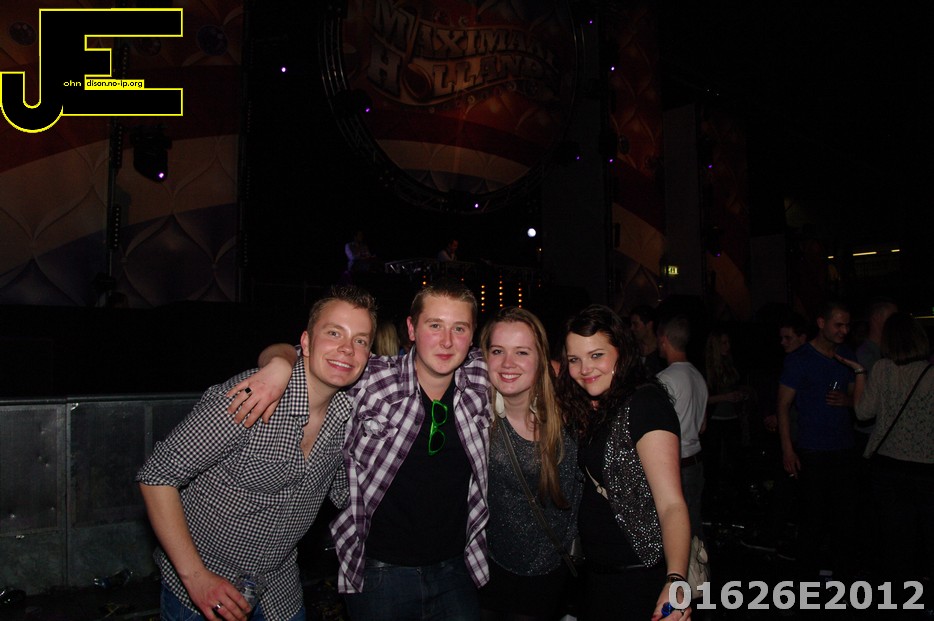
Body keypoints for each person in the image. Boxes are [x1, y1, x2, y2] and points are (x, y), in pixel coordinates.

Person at [227, 279, 491, 621]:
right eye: (434, 325)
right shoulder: (371, 379)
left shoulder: (482, 376)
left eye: (459, 328)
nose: (446, 341)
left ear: (472, 336)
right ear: (412, 329)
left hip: (457, 567)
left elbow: (528, 365)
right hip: (380, 572)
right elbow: (298, 352)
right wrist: (277, 366)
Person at [136, 285, 377, 621]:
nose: (347, 349)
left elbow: (346, 493)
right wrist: (196, 578)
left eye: (360, 340)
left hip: (279, 586)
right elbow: (157, 476)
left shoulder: (348, 416)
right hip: (206, 587)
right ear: (306, 343)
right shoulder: (252, 395)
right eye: (334, 333)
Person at [557, 304, 691, 621]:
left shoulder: (645, 404)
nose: (584, 368)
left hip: (638, 577)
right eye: (574, 359)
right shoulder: (591, 404)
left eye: (596, 355)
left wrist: (675, 580)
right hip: (597, 575)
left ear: (621, 352)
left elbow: (671, 504)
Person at [477, 307, 582, 621]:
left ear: (541, 359)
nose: (507, 363)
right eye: (498, 351)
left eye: (521, 352)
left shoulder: (570, 415)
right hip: (486, 572)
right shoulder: (473, 414)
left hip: (547, 577)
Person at [836, 312, 933, 588]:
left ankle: (899, 597)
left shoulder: (881, 368)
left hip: (888, 466)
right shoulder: (931, 374)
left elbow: (863, 413)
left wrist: (859, 373)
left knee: (895, 539)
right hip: (927, 469)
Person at [777, 301, 857, 577]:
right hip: (812, 451)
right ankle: (806, 584)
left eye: (847, 325)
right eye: (838, 324)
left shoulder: (846, 356)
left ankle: (843, 581)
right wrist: (788, 450)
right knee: (812, 521)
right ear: (822, 323)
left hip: (844, 449)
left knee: (844, 522)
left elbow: (859, 401)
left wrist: (848, 401)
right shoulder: (799, 359)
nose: (844, 330)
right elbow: (783, 406)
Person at [656, 315, 708, 542]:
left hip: (677, 465)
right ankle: (699, 564)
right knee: (693, 525)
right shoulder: (698, 376)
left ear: (664, 340)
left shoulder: (664, 379)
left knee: (676, 529)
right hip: (696, 463)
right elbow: (703, 426)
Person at [701, 326, 750, 509]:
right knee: (713, 461)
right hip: (714, 420)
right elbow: (703, 398)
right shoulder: (706, 368)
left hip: (732, 418)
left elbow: (738, 386)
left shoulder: (731, 363)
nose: (727, 346)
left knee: (736, 459)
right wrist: (725, 397)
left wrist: (741, 394)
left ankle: (737, 498)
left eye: (728, 342)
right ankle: (713, 499)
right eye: (723, 343)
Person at [630, 305, 663, 376]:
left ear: (649, 325)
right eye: (631, 324)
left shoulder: (662, 351)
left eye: (635, 324)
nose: (632, 328)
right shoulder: (633, 349)